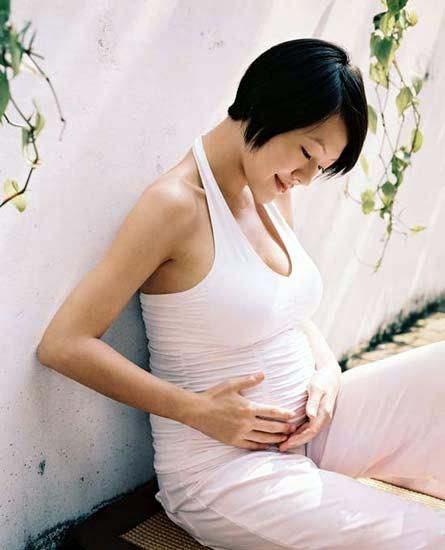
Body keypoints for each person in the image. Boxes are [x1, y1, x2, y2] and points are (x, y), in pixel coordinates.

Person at [37, 38, 445, 548]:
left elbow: (284, 309)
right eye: (307, 153)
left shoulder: (271, 187)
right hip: (226, 473)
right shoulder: (175, 206)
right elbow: (64, 343)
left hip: (313, 428)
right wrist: (196, 410)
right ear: (266, 107)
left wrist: (327, 369)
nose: (306, 178)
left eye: (321, 168)